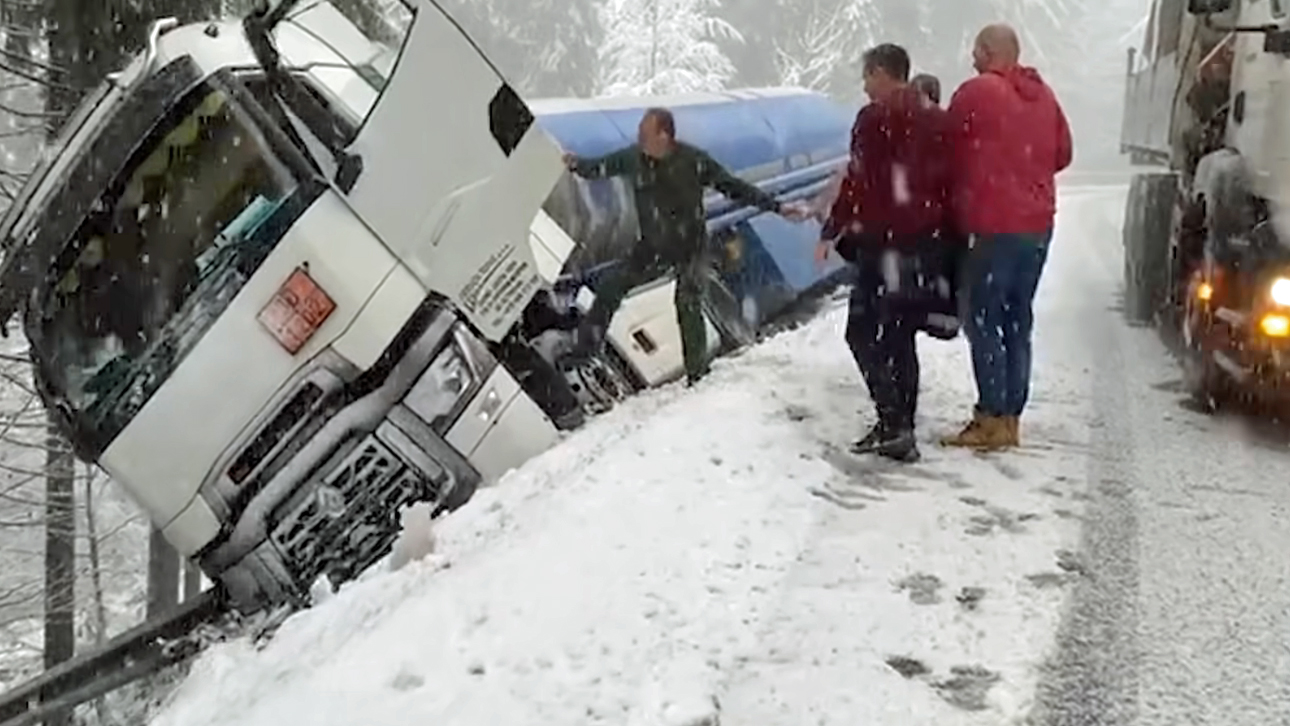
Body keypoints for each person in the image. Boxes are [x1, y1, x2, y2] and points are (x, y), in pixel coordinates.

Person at [561, 107, 807, 386]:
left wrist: (777, 207)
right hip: (652, 248)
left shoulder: (692, 160)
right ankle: (584, 353)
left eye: (645, 134)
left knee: (687, 301)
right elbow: (597, 167)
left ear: (664, 136)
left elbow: (734, 187)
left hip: (691, 246)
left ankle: (697, 374)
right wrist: (574, 163)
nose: (639, 139)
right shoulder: (633, 158)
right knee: (609, 289)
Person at [817, 43, 954, 462]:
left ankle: (893, 421)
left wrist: (833, 226)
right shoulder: (935, 117)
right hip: (925, 242)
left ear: (881, 72)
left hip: (883, 242)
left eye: (867, 76)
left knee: (859, 333)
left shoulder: (875, 117)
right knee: (900, 334)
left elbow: (858, 178)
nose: (864, 85)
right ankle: (901, 427)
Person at [941, 23, 1073, 450]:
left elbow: (945, 145)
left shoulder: (977, 92)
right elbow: (1063, 153)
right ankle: (1011, 417)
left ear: (988, 52)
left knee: (982, 319)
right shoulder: (1044, 95)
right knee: (1018, 320)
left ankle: (989, 417)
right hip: (1038, 227)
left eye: (977, 51)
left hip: (994, 225)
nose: (972, 59)